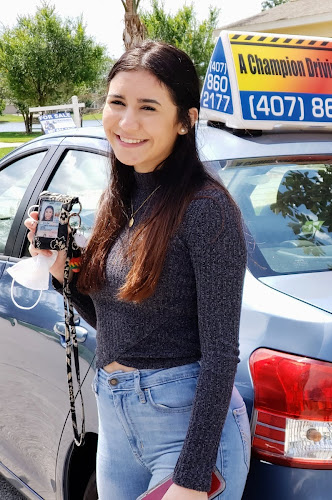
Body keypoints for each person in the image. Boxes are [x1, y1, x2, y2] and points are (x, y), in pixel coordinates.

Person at [25, 41, 250, 500]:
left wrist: (190, 478)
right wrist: (59, 272)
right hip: (115, 416)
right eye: (117, 102)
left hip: (185, 430)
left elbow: (222, 353)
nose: (127, 123)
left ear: (185, 120)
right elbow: (117, 323)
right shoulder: (122, 197)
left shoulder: (207, 209)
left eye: (148, 107)